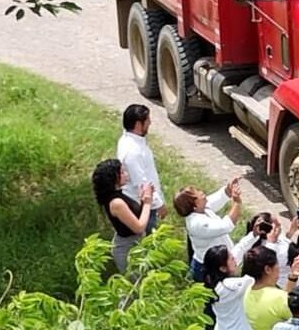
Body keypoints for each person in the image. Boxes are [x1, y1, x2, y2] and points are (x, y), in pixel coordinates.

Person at [173, 177, 242, 281]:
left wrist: (229, 189)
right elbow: (226, 226)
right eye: (197, 193)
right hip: (207, 269)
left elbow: (218, 198)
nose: (201, 192)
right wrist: (237, 203)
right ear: (194, 205)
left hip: (218, 263)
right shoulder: (197, 224)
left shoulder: (200, 209)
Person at [91, 158, 153, 272]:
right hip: (127, 248)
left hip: (136, 243)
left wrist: (143, 200)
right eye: (122, 172)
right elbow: (138, 227)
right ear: (113, 177)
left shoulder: (118, 196)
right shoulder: (116, 203)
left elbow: (134, 216)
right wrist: (148, 202)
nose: (126, 174)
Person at [202, 245, 257, 330]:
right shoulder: (232, 287)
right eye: (231, 259)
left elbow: (239, 250)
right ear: (222, 268)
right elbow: (254, 277)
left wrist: (253, 236)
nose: (235, 260)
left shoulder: (214, 283)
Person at [243, 244, 299, 330]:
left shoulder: (249, 291)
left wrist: (292, 277)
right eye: (277, 264)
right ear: (268, 269)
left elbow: (281, 302)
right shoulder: (277, 298)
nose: (279, 268)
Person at [116, 104, 165, 234]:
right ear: (138, 124)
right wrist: (159, 204)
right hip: (141, 206)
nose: (150, 122)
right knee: (149, 240)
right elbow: (142, 184)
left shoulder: (131, 141)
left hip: (146, 202)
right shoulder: (132, 151)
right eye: (147, 120)